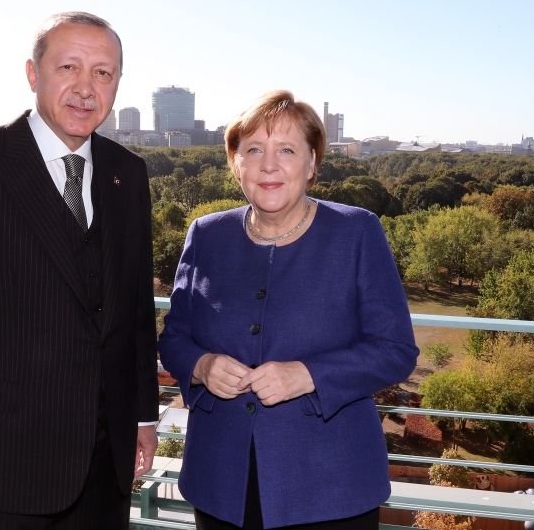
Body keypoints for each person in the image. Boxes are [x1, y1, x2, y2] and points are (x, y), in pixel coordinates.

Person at [0, 12, 159, 530]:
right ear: (32, 73)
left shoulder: (128, 173)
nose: (86, 88)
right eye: (69, 67)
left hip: (105, 467)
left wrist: (142, 416)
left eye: (103, 73)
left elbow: (136, 312)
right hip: (3, 467)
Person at [157, 90, 419, 530]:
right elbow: (174, 338)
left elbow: (395, 349)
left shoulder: (357, 232)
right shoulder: (205, 235)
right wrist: (202, 366)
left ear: (312, 163)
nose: (268, 165)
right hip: (221, 484)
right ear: (235, 163)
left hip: (331, 490)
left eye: (286, 150)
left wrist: (309, 375)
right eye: (253, 150)